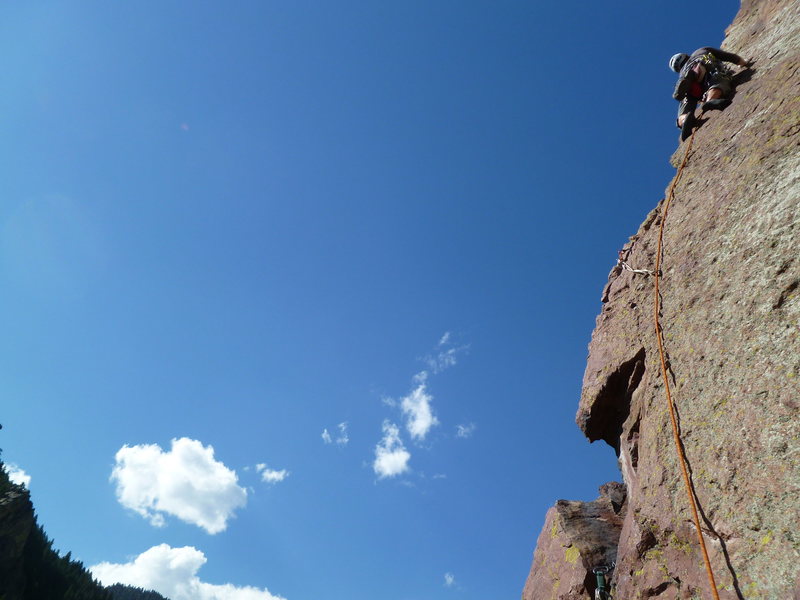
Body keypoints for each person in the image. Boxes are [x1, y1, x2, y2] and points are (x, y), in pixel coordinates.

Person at [669, 47, 751, 140]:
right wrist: (742, 62)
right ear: (685, 56)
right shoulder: (701, 51)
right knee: (718, 80)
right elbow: (728, 56)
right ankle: (711, 99)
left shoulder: (682, 73)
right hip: (707, 71)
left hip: (694, 88)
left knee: (687, 97)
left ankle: (683, 120)